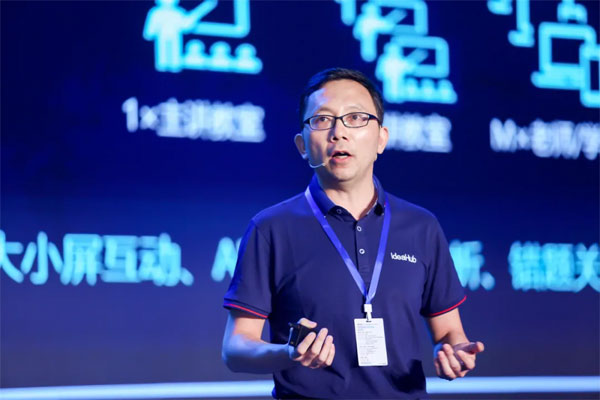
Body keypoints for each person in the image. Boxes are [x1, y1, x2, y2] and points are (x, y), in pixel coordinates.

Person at [222, 68, 484, 399]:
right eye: (322, 120)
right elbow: (236, 348)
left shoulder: (421, 226)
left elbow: (449, 331)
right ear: (302, 145)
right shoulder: (271, 228)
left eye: (356, 118)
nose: (339, 133)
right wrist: (288, 354)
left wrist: (456, 353)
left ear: (381, 139)